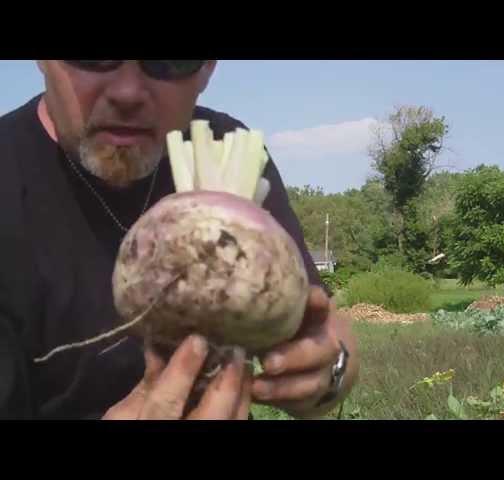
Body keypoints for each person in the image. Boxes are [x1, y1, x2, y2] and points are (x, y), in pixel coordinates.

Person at [0, 60, 359, 420]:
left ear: (207, 69)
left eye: (168, 60)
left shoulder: (227, 148)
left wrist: (332, 368)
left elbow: (324, 326)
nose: (128, 92)